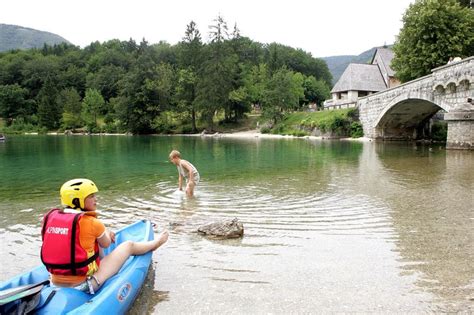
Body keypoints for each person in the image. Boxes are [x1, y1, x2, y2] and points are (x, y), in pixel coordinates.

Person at [40, 178, 168, 294]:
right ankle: (155, 244)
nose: (96, 199)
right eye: (91, 196)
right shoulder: (92, 222)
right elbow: (106, 243)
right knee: (128, 246)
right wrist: (106, 231)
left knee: (92, 241)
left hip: (54, 281)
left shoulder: (49, 218)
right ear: (77, 200)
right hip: (83, 285)